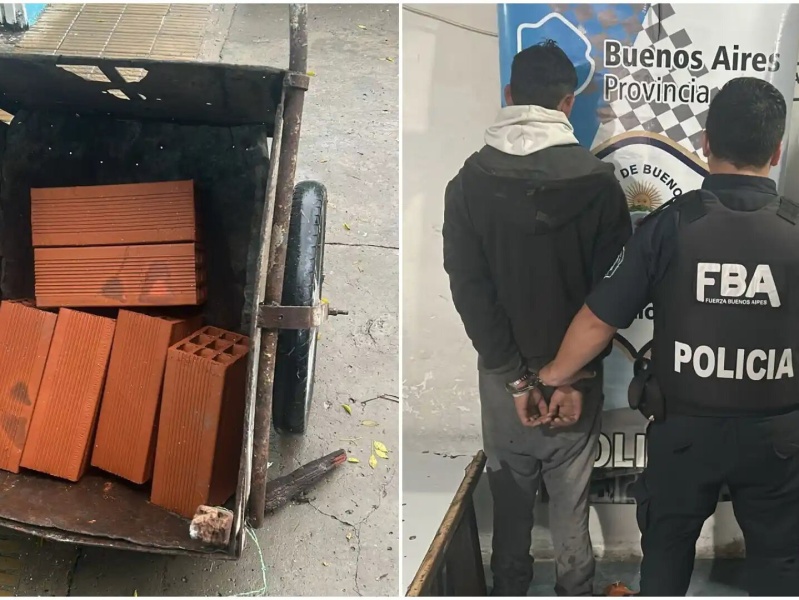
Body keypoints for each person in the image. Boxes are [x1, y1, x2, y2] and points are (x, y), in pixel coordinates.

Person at [537, 76, 799, 596]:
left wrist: (551, 376)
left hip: (684, 434)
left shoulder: (670, 225)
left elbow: (597, 321)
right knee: (781, 564)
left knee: (666, 551)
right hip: (779, 441)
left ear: (705, 143)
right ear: (776, 151)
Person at [442, 40, 632, 596]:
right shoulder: (600, 184)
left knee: (509, 504)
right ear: (568, 103)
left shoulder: (468, 182)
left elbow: (469, 289)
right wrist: (567, 375)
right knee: (571, 505)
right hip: (578, 376)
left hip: (503, 377)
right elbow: (612, 295)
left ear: (509, 95)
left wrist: (516, 377)